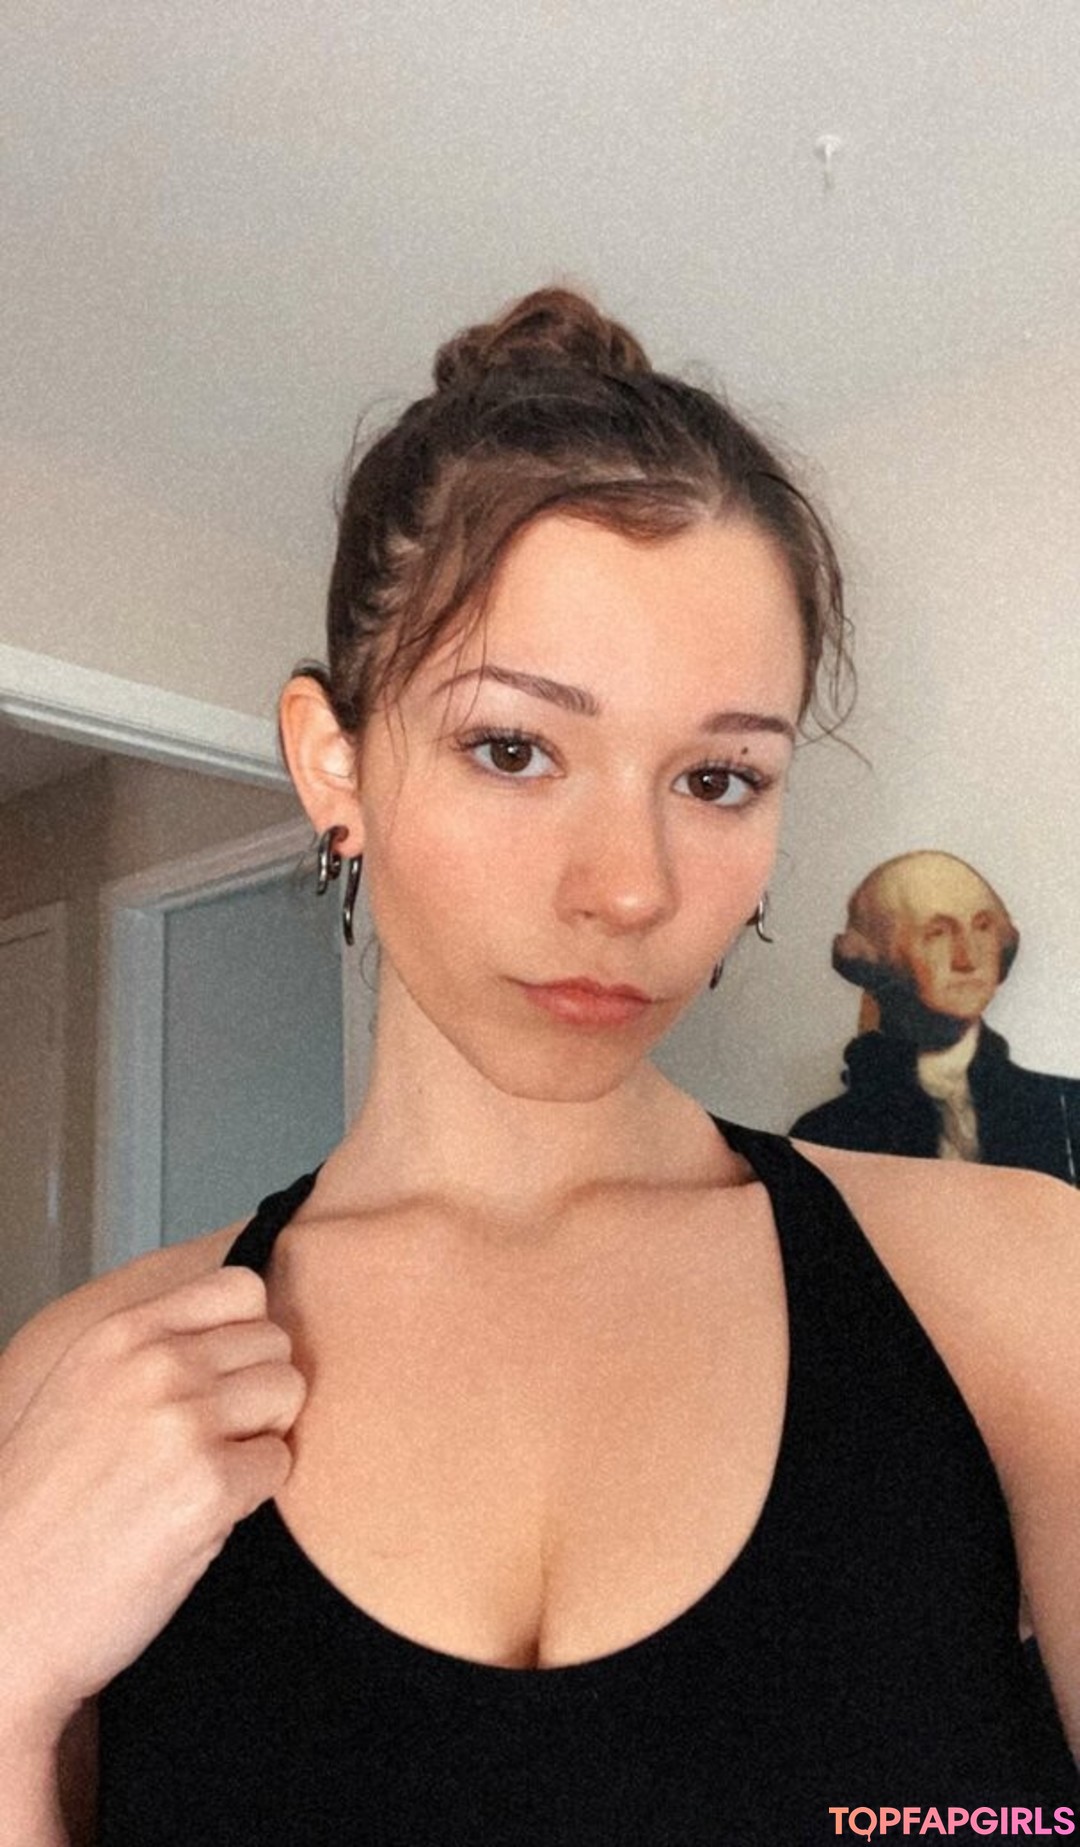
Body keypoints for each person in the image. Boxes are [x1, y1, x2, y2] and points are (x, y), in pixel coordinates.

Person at [0, 290, 1077, 1847]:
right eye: (513, 747)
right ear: (333, 762)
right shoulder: (74, 1384)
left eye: (720, 777)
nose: (629, 886)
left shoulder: (1019, 1292)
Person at [791, 849, 1080, 1181]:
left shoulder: (1067, 1110)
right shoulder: (826, 1136)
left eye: (983, 927)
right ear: (872, 959)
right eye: (937, 933)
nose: (967, 958)